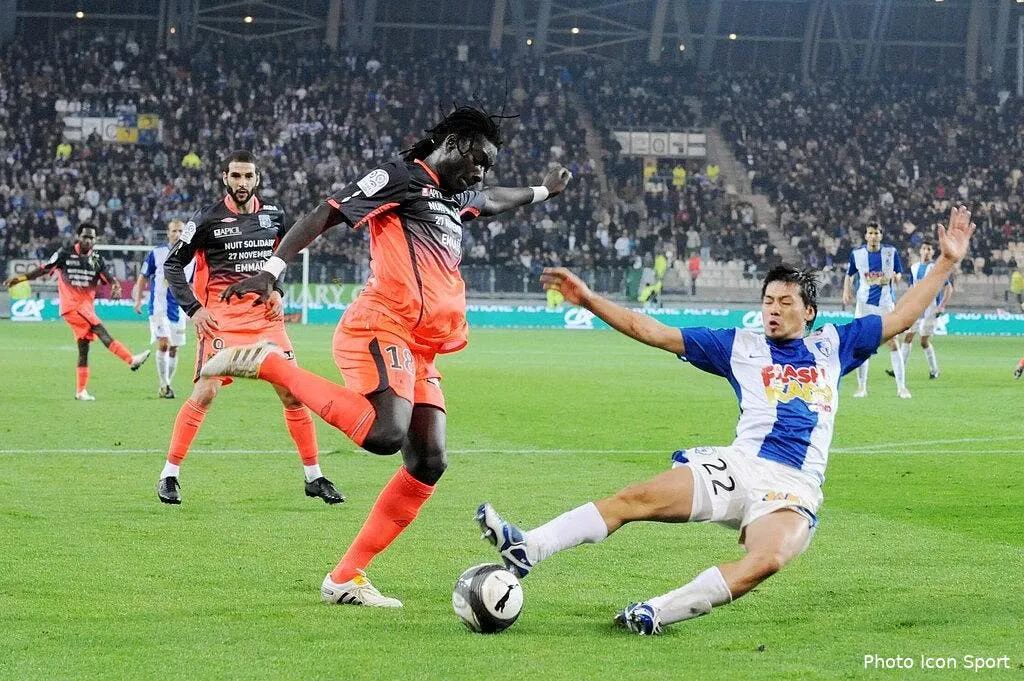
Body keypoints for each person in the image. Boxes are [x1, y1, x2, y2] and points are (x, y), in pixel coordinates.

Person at [477, 206, 975, 635]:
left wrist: (944, 262)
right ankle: (530, 547)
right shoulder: (739, 344)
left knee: (769, 560)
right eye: (767, 302)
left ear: (810, 311)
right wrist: (589, 300)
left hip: (795, 485)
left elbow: (903, 315)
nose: (772, 311)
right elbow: (654, 330)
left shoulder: (834, 344)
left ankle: (655, 613)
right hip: (740, 466)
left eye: (784, 303)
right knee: (636, 498)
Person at [201, 106, 572, 607]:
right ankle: (269, 362)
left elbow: (494, 200)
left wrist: (545, 190)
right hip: (380, 326)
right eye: (479, 159)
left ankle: (346, 578)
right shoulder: (400, 178)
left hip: (422, 347)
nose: (482, 171)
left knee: (429, 462)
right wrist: (272, 269)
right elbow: (327, 212)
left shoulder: (455, 196)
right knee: (384, 433)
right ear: (456, 145)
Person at [155, 150, 343, 507]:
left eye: (248, 177)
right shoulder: (206, 219)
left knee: (292, 392)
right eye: (236, 176)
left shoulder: (274, 217)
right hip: (221, 320)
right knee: (206, 392)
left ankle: (314, 476)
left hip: (265, 323)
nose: (242, 183)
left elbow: (280, 258)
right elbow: (173, 265)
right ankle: (169, 474)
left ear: (257, 179)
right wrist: (194, 309)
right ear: (225, 177)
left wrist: (278, 290)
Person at [4, 223, 151, 400]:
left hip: (85, 307)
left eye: (92, 238)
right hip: (72, 306)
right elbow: (43, 269)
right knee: (100, 330)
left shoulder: (97, 259)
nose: (88, 240)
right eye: (85, 237)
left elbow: (110, 279)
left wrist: (116, 287)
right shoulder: (64, 253)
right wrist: (20, 279)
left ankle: (81, 391)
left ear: (95, 240)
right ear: (78, 237)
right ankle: (131, 360)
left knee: (83, 348)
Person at [842, 222, 908, 398]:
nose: (873, 236)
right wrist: (846, 291)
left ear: (881, 235)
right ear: (866, 236)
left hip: (885, 303)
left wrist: (896, 277)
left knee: (893, 342)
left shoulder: (890, 252)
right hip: (863, 305)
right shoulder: (857, 254)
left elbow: (899, 272)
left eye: (876, 233)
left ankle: (901, 387)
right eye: (870, 233)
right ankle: (862, 387)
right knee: (861, 346)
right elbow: (849, 274)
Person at [133, 219, 193, 398]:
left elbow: (192, 285)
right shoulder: (157, 253)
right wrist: (137, 300)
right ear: (168, 233)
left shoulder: (192, 257)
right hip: (158, 309)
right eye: (174, 231)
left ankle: (166, 385)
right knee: (164, 343)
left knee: (174, 348)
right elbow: (143, 277)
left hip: (179, 310)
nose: (177, 234)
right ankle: (164, 385)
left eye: (181, 231)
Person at [892, 240, 953, 380]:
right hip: (914, 308)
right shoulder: (914, 267)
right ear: (920, 251)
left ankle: (934, 370)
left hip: (930, 309)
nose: (926, 251)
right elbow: (912, 288)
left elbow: (948, 287)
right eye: (924, 248)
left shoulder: (936, 268)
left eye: (929, 249)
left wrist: (942, 305)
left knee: (923, 341)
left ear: (932, 252)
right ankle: (899, 369)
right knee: (908, 337)